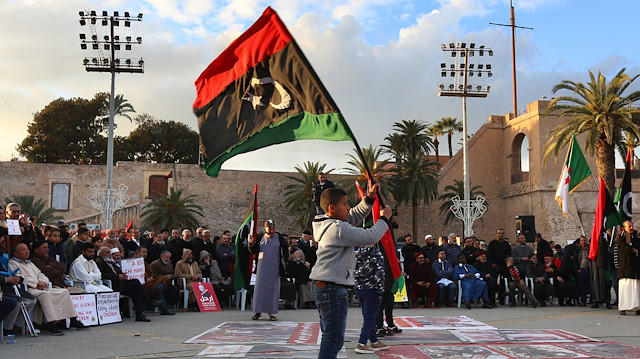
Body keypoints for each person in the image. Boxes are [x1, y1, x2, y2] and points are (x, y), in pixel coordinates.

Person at [309, 185, 390, 359]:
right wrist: (385, 220)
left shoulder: (325, 223)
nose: (348, 208)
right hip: (332, 287)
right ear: (332, 208)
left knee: (330, 336)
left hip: (324, 285)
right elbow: (369, 237)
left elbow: (353, 215)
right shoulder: (338, 229)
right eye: (345, 204)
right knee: (334, 339)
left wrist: (369, 198)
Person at [9, 243, 87, 335]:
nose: (27, 251)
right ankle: (51, 324)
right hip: (29, 289)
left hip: (42, 286)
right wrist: (36, 283)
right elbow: (18, 278)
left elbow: (41, 274)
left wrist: (44, 282)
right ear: (16, 253)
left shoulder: (30, 263)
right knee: (46, 295)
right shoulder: (13, 263)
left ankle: (73, 319)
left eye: (27, 249)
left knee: (64, 291)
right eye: (23, 250)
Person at [96, 247, 157, 321]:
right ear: (101, 254)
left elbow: (119, 271)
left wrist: (123, 275)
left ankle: (139, 314)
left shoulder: (110, 262)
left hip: (119, 283)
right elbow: (102, 275)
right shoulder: (99, 262)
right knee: (135, 282)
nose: (109, 255)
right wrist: (118, 276)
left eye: (110, 253)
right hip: (112, 285)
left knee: (135, 290)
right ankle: (149, 303)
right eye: (107, 253)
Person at [248, 220, 289, 321]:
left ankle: (272, 313)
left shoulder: (279, 238)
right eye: (269, 229)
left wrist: (284, 266)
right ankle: (258, 311)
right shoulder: (260, 237)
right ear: (265, 228)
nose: (271, 231)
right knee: (260, 289)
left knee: (273, 290)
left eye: (273, 229)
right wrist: (251, 243)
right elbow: (254, 251)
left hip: (275, 267)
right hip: (262, 267)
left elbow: (284, 253)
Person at [353, 243, 389, 354]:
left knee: (368, 315)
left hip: (359, 287)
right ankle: (362, 343)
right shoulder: (376, 254)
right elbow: (380, 273)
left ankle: (374, 341)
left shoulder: (356, 253)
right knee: (370, 317)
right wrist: (380, 290)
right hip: (372, 288)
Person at [615, 221, 640, 315]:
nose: (631, 228)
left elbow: (636, 250)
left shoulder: (637, 240)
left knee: (636, 289)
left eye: (631, 226)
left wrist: (635, 250)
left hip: (636, 269)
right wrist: (628, 241)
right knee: (625, 289)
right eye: (629, 226)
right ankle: (623, 308)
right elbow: (624, 251)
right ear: (624, 228)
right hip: (626, 268)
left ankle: (637, 307)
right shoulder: (620, 239)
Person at [573, 236, 592, 306]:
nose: (583, 242)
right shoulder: (578, 250)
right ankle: (583, 301)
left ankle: (592, 300)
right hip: (582, 270)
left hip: (589, 270)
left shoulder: (590, 249)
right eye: (582, 240)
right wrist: (577, 269)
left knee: (591, 286)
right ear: (580, 242)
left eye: (584, 240)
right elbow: (575, 260)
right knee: (582, 286)